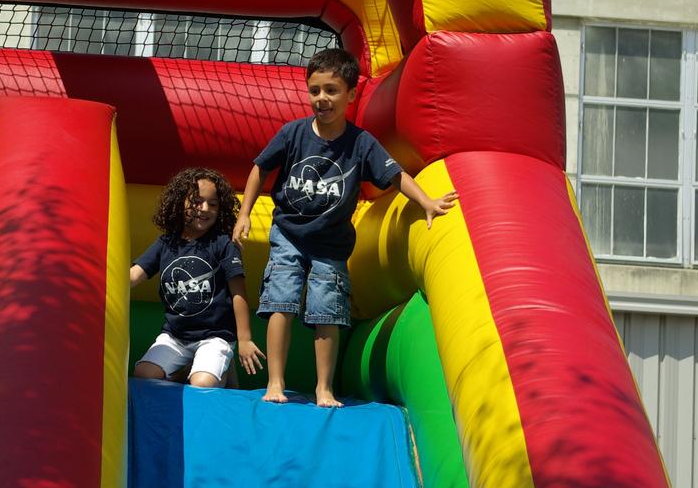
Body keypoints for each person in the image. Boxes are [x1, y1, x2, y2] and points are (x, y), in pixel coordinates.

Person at [233, 48, 458, 407]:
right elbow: (260, 167)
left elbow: (395, 175)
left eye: (332, 91)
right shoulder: (292, 134)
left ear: (351, 94)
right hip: (289, 233)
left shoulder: (360, 143)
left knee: (327, 310)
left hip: (331, 243)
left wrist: (427, 202)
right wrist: (244, 214)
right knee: (282, 301)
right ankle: (275, 383)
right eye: (315, 91)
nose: (322, 99)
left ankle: (324, 388)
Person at [130, 167, 265, 387]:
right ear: (179, 203)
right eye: (196, 201)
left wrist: (244, 339)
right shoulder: (166, 244)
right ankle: (186, 371)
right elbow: (134, 275)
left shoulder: (223, 244)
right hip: (175, 337)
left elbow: (238, 292)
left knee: (202, 384)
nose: (204, 209)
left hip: (215, 335)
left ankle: (219, 367)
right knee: (144, 374)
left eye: (212, 204)